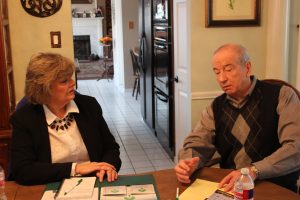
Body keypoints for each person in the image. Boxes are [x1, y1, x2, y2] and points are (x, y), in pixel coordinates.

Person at [174, 44, 300, 192]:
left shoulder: (282, 96)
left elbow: (295, 147)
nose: (222, 78)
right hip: (232, 187)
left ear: (247, 68)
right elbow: (197, 143)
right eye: (216, 72)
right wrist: (188, 161)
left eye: (228, 69)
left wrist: (254, 170)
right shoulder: (215, 107)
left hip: (276, 187)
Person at [10, 53, 121, 185]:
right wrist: (76, 169)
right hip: (49, 187)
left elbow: (111, 148)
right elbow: (22, 170)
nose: (72, 83)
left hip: (95, 182)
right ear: (44, 88)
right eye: (64, 81)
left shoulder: (89, 106)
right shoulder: (24, 118)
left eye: (70, 77)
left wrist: (105, 168)